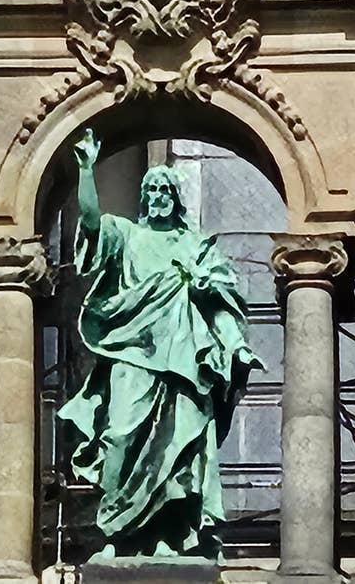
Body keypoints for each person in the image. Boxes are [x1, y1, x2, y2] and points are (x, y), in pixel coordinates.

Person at [57, 129, 262, 559]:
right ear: (142, 198)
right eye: (150, 190)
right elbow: (91, 222)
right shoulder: (126, 235)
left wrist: (236, 345)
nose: (157, 197)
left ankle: (171, 537)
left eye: (165, 190)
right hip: (132, 353)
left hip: (185, 364)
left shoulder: (195, 246)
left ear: (176, 198)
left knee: (180, 451)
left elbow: (221, 304)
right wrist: (87, 170)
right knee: (120, 435)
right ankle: (118, 535)